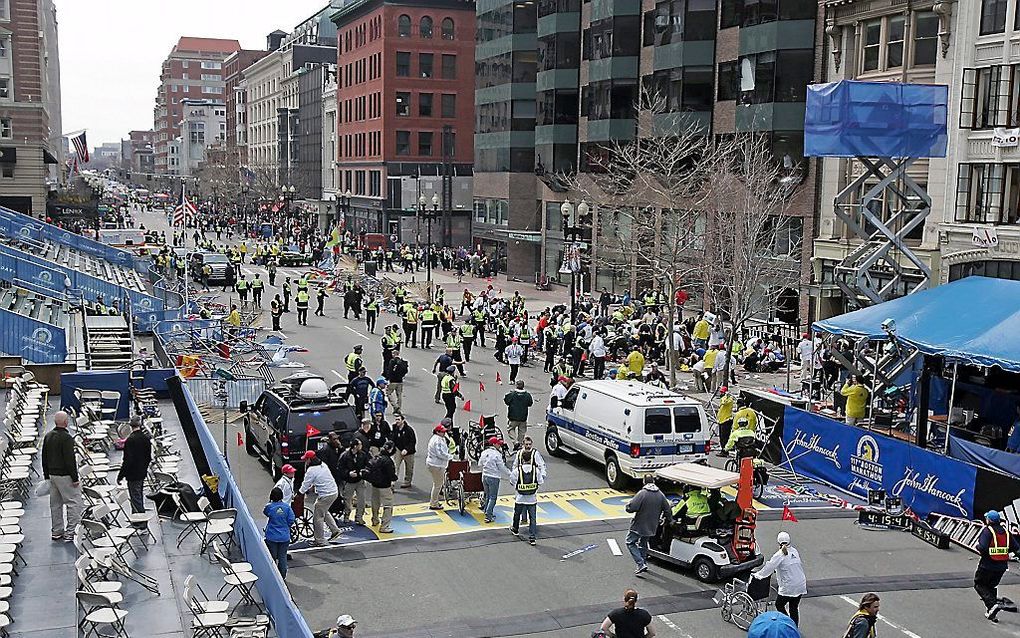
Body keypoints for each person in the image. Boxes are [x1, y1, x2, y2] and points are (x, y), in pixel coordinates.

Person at [753, 531, 807, 625]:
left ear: (778, 542)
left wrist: (758, 575)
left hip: (789, 586)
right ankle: (794, 627)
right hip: (800, 584)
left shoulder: (780, 554)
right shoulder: (794, 551)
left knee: (779, 605)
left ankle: (787, 624)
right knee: (793, 608)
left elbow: (769, 567)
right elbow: (790, 565)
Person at [975, 510, 1020, 622]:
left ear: (989, 520)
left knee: (979, 584)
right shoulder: (1006, 531)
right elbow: (1015, 547)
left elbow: (983, 548)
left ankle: (992, 605)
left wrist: (978, 547)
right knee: (991, 586)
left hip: (987, 565)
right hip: (1001, 566)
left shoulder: (987, 531)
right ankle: (991, 612)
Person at [42, 410, 80, 541]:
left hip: (52, 475)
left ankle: (57, 531)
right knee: (73, 503)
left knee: (55, 505)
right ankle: (71, 532)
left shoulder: (48, 436)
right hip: (65, 476)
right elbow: (70, 460)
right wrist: (75, 478)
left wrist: (46, 475)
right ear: (65, 422)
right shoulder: (67, 438)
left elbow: (44, 458)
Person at [625, 475, 672, 575]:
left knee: (630, 542)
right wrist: (670, 520)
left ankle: (640, 563)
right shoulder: (660, 494)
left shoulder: (642, 493)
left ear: (644, 482)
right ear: (654, 481)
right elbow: (667, 509)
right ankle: (644, 562)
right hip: (652, 526)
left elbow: (631, 507)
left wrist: (628, 506)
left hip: (639, 525)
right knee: (643, 543)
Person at [298, 450, 343, 546]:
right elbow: (318, 479)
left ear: (309, 460)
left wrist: (299, 493)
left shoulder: (311, 470)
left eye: (306, 460)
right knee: (323, 510)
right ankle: (335, 530)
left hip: (326, 495)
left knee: (317, 517)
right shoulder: (323, 464)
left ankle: (320, 540)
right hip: (333, 492)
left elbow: (305, 484)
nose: (305, 461)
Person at [509, 436, 546, 545]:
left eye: (530, 444)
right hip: (532, 495)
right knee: (532, 517)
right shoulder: (535, 470)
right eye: (527, 444)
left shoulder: (518, 470)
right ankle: (532, 537)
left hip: (520, 493)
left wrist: (517, 483)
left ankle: (516, 528)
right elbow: (540, 480)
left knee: (517, 512)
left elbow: (513, 476)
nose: (528, 446)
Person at [116, 416, 152, 516]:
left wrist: (120, 476)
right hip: (142, 472)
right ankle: (139, 517)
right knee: (138, 494)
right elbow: (148, 457)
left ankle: (140, 520)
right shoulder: (145, 439)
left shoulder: (130, 440)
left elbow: (127, 460)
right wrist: (144, 468)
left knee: (135, 497)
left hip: (132, 474)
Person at [264, 487, 295, 579]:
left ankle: (273, 575)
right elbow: (291, 519)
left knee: (272, 556)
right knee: (282, 556)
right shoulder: (287, 507)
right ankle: (282, 575)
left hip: (272, 536)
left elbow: (265, 513)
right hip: (284, 536)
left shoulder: (269, 507)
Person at [366, 441, 398, 533]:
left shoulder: (376, 458)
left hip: (375, 485)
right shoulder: (388, 461)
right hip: (385, 486)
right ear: (390, 449)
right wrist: (394, 478)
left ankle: (375, 520)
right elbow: (391, 475)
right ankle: (384, 526)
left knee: (375, 504)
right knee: (388, 506)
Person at [479, 437, 511, 523]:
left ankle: (486, 510)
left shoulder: (484, 453)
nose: (499, 445)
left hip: (485, 476)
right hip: (494, 477)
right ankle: (488, 515)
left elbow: (480, 464)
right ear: (493, 444)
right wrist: (509, 473)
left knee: (488, 495)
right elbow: (501, 467)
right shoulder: (497, 454)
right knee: (493, 497)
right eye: (498, 443)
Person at [338, 439, 369, 525]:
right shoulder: (345, 456)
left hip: (360, 480)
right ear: (355, 446)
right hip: (349, 481)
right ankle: (346, 515)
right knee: (347, 500)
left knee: (361, 500)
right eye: (360, 445)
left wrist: (362, 473)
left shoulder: (362, 455)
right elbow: (340, 469)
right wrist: (348, 473)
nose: (361, 446)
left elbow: (368, 465)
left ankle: (359, 517)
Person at [426, 424, 452, 510]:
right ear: (438, 432)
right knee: (438, 485)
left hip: (434, 463)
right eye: (443, 432)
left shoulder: (437, 438)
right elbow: (440, 453)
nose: (444, 433)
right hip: (437, 465)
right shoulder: (437, 441)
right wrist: (450, 457)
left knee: (436, 484)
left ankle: (434, 501)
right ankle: (434, 503)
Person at [504, 380, 534, 450]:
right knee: (522, 431)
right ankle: (520, 443)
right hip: (523, 417)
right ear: (523, 386)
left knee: (510, 429)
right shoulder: (527, 395)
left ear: (516, 385)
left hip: (513, 417)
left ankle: (515, 442)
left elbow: (506, 401)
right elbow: (530, 403)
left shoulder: (512, 394)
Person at [390, 415, 416, 488]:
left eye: (398, 419)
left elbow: (412, 441)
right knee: (395, 466)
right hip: (398, 448)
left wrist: (407, 449)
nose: (397, 421)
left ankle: (407, 481)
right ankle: (392, 482)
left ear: (403, 420)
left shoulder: (409, 430)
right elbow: (392, 438)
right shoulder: (395, 428)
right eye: (396, 419)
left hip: (409, 451)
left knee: (409, 467)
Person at [384, 350, 409, 414]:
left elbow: (389, 370)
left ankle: (395, 406)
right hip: (400, 381)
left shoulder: (392, 361)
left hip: (393, 381)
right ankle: (399, 409)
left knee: (388, 393)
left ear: (394, 354)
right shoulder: (403, 361)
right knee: (399, 395)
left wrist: (387, 378)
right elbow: (406, 371)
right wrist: (402, 376)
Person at [716, 387, 735, 458]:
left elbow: (724, 402)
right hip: (722, 420)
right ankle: (723, 449)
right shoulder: (724, 398)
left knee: (724, 437)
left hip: (726, 421)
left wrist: (725, 396)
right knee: (721, 437)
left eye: (722, 392)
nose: (721, 394)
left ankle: (725, 451)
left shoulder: (729, 399)